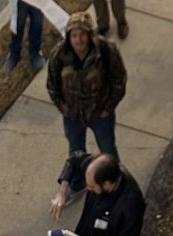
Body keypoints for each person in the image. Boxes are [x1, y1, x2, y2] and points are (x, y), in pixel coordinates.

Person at [47, 18, 127, 160]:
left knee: (108, 153)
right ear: (69, 37)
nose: (79, 40)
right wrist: (65, 109)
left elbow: (119, 80)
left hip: (100, 116)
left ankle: (115, 181)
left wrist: (107, 108)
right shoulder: (59, 55)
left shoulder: (106, 50)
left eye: (82, 34)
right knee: (76, 157)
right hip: (73, 117)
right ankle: (78, 182)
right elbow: (52, 85)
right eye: (74, 35)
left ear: (90, 35)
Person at [62, 152, 145, 236]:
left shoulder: (130, 206)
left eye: (91, 187)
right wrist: (62, 192)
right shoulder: (97, 170)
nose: (88, 190)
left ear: (106, 184)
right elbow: (74, 160)